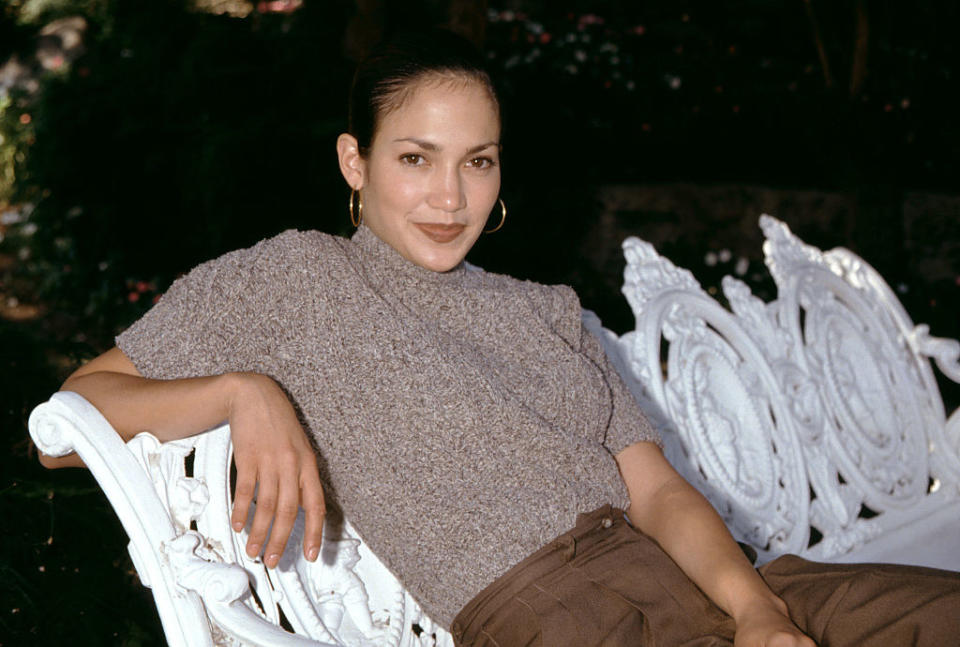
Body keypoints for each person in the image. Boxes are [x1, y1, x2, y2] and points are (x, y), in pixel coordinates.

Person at [39, 28, 959, 647]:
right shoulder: (294, 277)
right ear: (353, 162)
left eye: (477, 162)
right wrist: (245, 392)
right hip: (559, 615)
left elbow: (660, 490)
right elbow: (72, 414)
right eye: (416, 159)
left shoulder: (544, 309)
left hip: (715, 580)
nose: (452, 198)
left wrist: (759, 610)